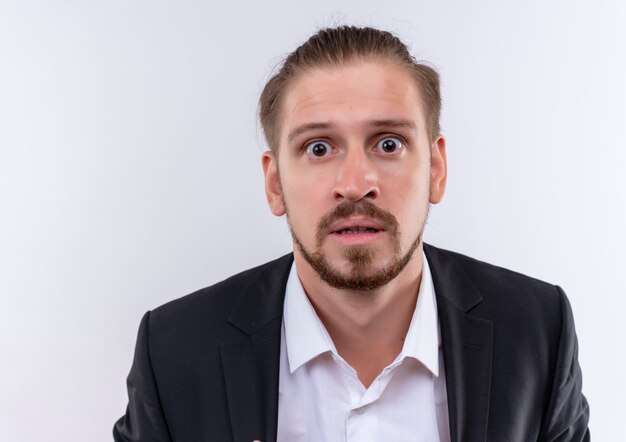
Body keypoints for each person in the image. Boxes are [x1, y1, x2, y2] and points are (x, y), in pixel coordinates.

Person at [113, 26, 589, 441]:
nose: (356, 184)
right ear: (275, 183)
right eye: (318, 148)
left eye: (388, 143)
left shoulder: (538, 331)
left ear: (437, 169)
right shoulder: (174, 351)